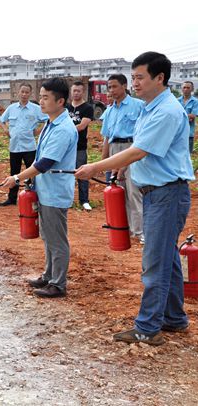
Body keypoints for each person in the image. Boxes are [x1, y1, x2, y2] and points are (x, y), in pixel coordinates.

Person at [76, 52, 194, 346]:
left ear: (160, 78)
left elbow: (138, 150)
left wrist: (95, 167)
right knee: (167, 258)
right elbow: (135, 149)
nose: (135, 83)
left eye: (140, 77)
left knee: (154, 262)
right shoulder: (148, 108)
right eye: (134, 77)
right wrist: (117, 169)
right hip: (155, 193)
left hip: (167, 194)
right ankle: (174, 318)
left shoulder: (166, 111)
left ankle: (148, 327)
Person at [3, 78, 77, 298]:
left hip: (55, 192)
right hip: (46, 190)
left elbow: (45, 163)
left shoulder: (63, 128)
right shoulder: (50, 123)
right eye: (41, 97)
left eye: (46, 98)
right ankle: (48, 276)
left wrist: (17, 177)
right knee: (47, 236)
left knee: (56, 239)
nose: (41, 102)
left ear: (60, 101)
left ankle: (58, 284)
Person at [100, 74, 145, 242]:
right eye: (109, 87)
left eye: (114, 86)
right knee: (119, 191)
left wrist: (125, 162)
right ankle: (124, 228)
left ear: (124, 85)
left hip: (132, 148)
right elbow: (106, 138)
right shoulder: (109, 111)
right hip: (114, 149)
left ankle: (139, 232)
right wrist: (103, 162)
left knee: (134, 192)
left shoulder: (139, 106)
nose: (111, 90)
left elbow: (141, 135)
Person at [0, 83, 47, 206]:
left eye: (27, 92)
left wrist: (39, 131)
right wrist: (5, 130)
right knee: (14, 172)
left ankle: (34, 197)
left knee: (32, 172)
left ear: (30, 94)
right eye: (22, 92)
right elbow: (2, 120)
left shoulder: (35, 109)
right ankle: (12, 198)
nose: (24, 94)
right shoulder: (11, 108)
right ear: (18, 93)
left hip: (29, 147)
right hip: (14, 147)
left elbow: (47, 119)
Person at [67, 81, 94, 211]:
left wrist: (65, 130)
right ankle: (68, 199)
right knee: (67, 174)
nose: (76, 93)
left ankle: (84, 200)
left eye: (78, 91)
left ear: (82, 92)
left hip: (80, 147)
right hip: (66, 148)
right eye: (74, 91)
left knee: (82, 174)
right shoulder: (66, 108)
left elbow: (82, 126)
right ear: (71, 92)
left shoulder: (87, 108)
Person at [178, 81, 198, 152]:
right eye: (184, 87)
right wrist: (187, 116)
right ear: (182, 89)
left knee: (188, 155)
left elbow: (192, 116)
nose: (186, 89)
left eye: (188, 88)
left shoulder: (195, 101)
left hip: (189, 134)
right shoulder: (177, 101)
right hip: (178, 133)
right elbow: (173, 115)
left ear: (192, 89)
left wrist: (179, 115)